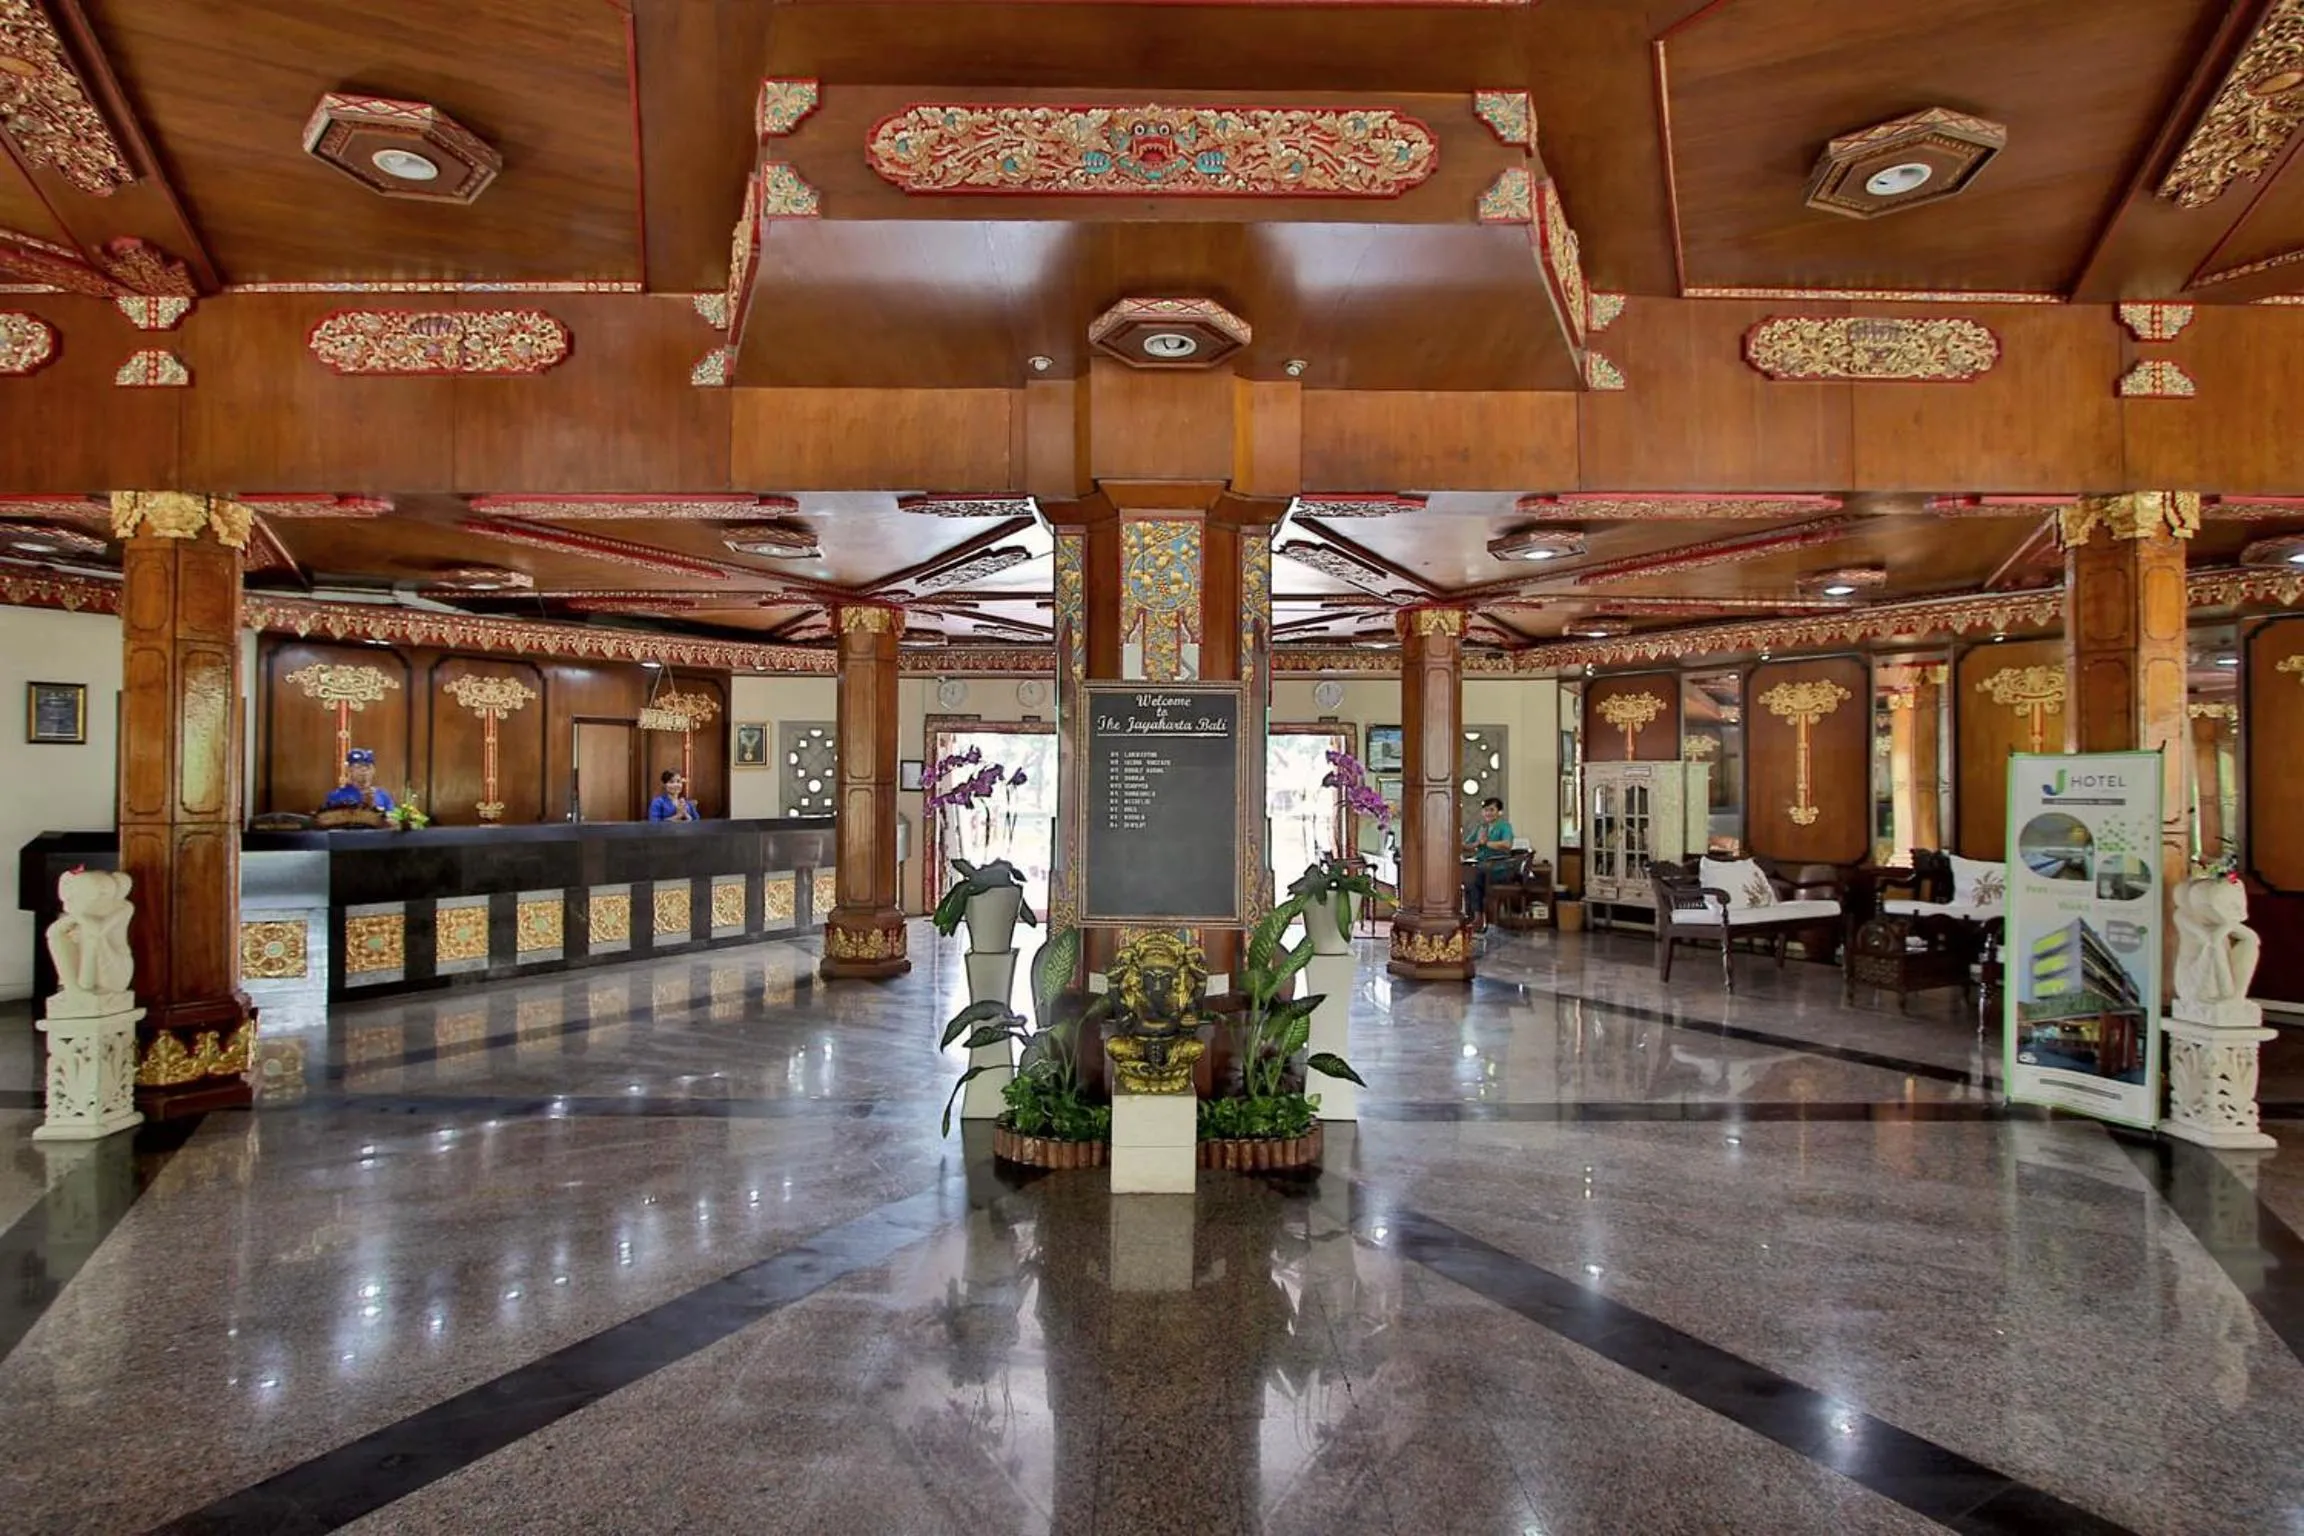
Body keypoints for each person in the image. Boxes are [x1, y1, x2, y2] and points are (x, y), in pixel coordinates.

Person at [1461, 796, 1516, 927]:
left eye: (1491, 810)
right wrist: (1468, 843)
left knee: (1475, 876)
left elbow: (1507, 844)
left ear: (1499, 812)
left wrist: (1487, 843)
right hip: (1481, 865)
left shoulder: (1504, 826)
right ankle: (1470, 916)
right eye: (1485, 810)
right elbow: (1468, 845)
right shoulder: (1481, 827)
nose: (1488, 813)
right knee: (1467, 876)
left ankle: (1478, 917)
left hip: (1499, 868)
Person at [322, 748, 395, 813]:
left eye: (368, 766)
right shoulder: (336, 796)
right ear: (349, 770)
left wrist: (375, 808)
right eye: (359, 766)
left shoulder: (383, 795)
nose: (364, 770)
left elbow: (393, 821)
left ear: (374, 770)